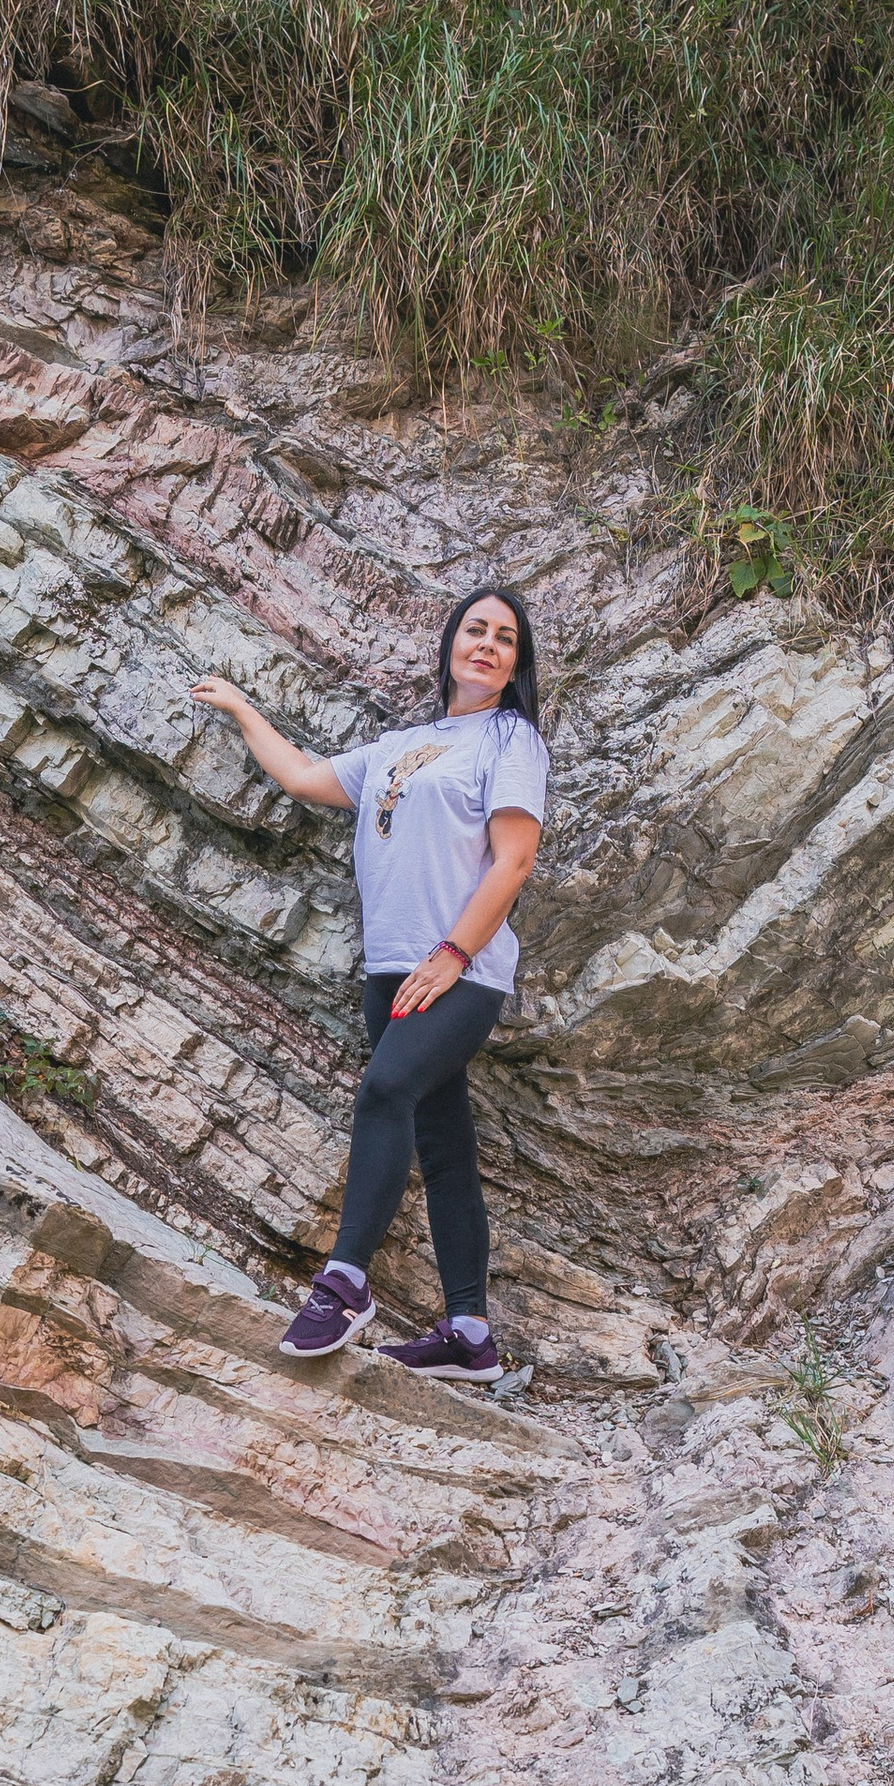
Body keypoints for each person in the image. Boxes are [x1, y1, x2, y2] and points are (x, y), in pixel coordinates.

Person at [193, 585, 548, 1378]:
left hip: (457, 970)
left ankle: (346, 1284)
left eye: (504, 638)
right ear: (452, 642)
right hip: (391, 971)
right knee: (444, 1145)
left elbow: (514, 860)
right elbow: (305, 779)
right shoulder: (399, 744)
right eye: (475, 630)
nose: (487, 644)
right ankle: (469, 1336)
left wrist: (453, 954)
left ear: (516, 663)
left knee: (384, 1093)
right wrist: (244, 708)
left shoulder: (509, 740)